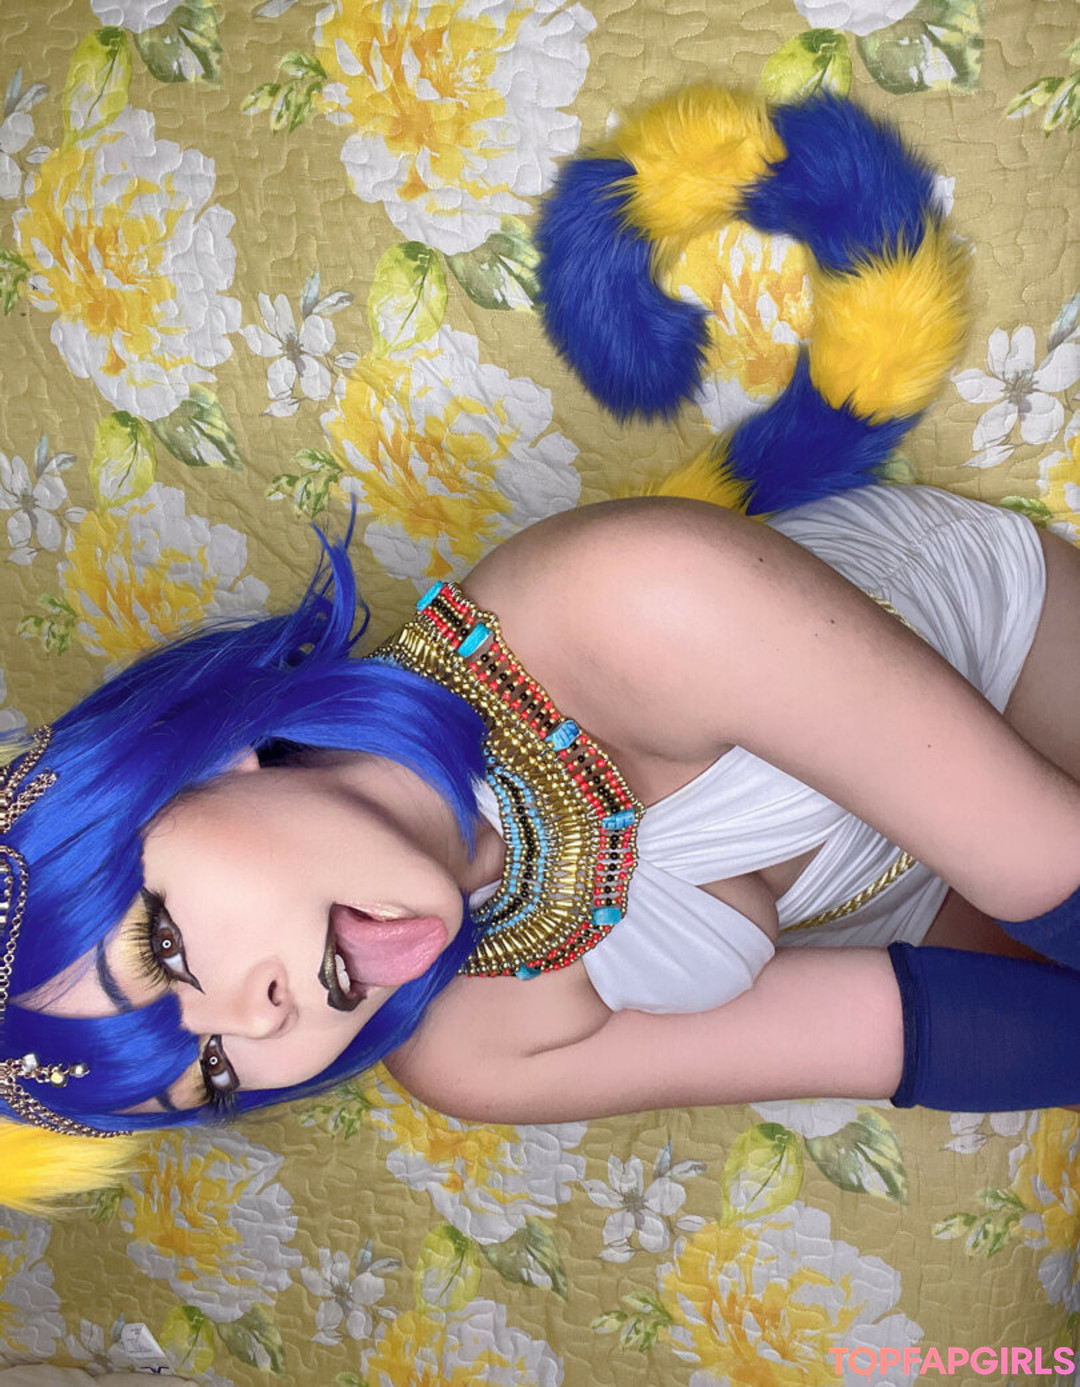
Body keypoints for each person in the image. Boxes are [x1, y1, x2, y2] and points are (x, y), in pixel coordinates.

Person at [3, 88, 1080, 1213]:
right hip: (887, 904)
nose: (259, 1019)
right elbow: (892, 1031)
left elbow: (1044, 857)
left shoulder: (633, 604)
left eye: (167, 950)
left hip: (999, 674)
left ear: (194, 759)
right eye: (214, 1071)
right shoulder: (470, 1056)